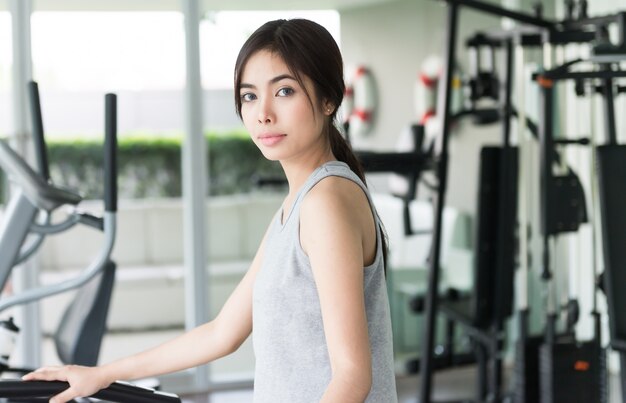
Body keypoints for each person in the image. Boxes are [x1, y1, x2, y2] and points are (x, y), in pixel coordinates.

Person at [24, 18, 398, 403]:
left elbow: (352, 376)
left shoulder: (326, 201)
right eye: (250, 96)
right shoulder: (298, 207)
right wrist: (103, 374)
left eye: (284, 91)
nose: (262, 113)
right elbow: (222, 333)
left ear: (328, 99)